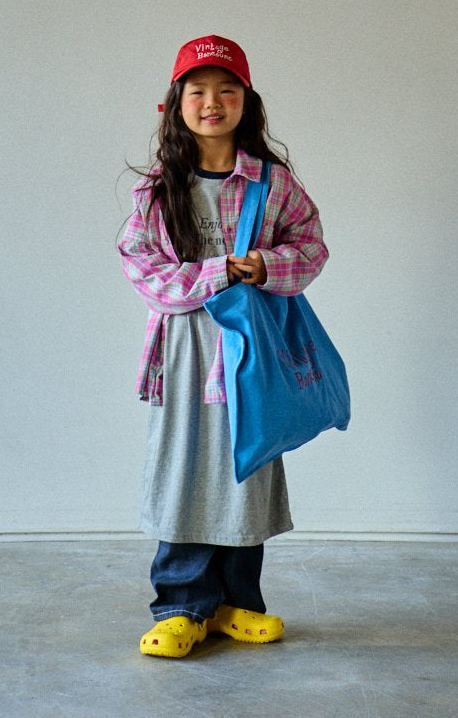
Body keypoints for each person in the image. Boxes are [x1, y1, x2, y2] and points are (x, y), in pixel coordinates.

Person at [117, 34, 328, 658]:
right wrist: (216, 274)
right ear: (175, 103)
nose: (213, 102)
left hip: (252, 350)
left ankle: (238, 602)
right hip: (185, 350)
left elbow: (311, 247)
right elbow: (142, 267)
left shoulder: (274, 184)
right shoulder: (160, 190)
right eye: (198, 91)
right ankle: (182, 606)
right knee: (185, 466)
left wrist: (266, 265)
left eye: (227, 90)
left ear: (247, 102)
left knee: (246, 466)